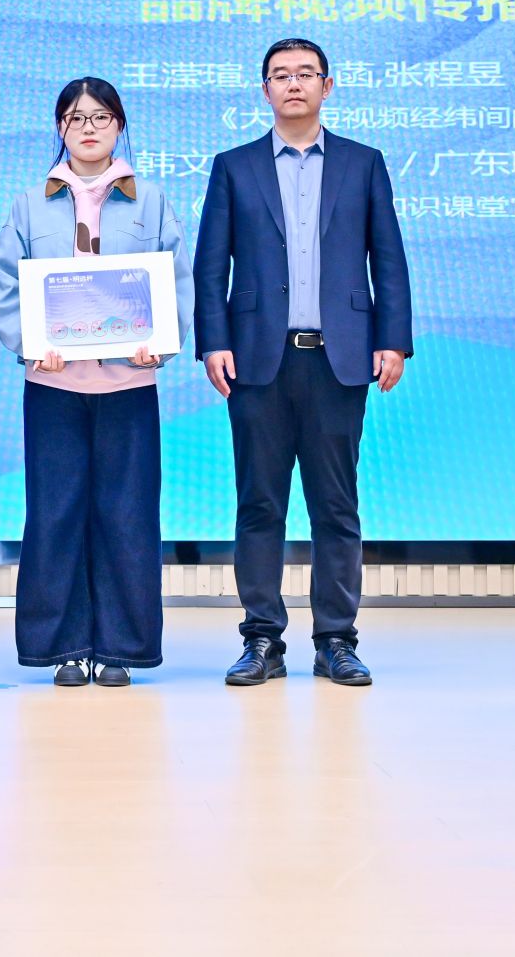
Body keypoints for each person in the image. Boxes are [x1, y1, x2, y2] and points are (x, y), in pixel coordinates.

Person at [193, 39, 412, 689]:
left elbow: (388, 257)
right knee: (259, 504)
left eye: (305, 74)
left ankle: (336, 640)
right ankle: (261, 638)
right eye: (281, 75)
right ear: (264, 89)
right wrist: (213, 341)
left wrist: (393, 339)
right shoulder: (234, 166)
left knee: (335, 506)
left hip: (338, 359)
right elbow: (210, 265)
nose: (294, 84)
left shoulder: (363, 163)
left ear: (327, 85)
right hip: (257, 360)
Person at [0, 78, 193, 687]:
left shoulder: (150, 200)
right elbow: (5, 282)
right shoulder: (30, 204)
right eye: (76, 118)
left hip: (129, 386)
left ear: (119, 126)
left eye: (101, 117)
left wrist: (159, 341)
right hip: (53, 387)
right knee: (55, 513)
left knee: (128, 516)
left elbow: (176, 280)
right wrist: (31, 343)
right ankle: (65, 647)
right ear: (60, 127)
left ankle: (120, 648)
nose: (88, 128)